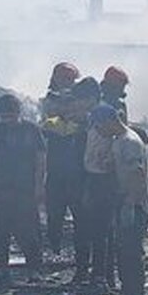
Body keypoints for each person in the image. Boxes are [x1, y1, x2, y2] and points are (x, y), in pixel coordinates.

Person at [0, 94, 46, 277]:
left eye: (11, 116)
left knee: (28, 229)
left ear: (19, 112)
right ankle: (0, 269)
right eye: (4, 117)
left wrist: (39, 186)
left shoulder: (31, 130)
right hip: (0, 190)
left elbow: (40, 159)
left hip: (25, 189)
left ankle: (34, 267)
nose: (7, 120)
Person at [39, 62, 87, 256]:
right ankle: (54, 250)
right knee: (55, 214)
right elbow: (52, 127)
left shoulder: (80, 102)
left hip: (78, 168)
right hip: (56, 167)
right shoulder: (48, 102)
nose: (69, 84)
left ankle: (81, 254)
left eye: (72, 80)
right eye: (66, 79)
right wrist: (72, 120)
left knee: (80, 216)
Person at [80, 78, 120, 285]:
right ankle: (103, 274)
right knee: (99, 229)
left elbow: (113, 137)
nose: (79, 104)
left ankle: (101, 274)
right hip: (95, 176)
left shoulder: (103, 113)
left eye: (82, 100)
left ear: (91, 98)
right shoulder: (94, 114)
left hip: (103, 179)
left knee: (101, 229)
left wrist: (109, 161)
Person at [112, 110, 148, 295]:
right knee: (125, 252)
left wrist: (130, 202)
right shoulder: (122, 139)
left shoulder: (129, 142)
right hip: (129, 202)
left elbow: (137, 173)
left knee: (131, 253)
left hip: (135, 205)